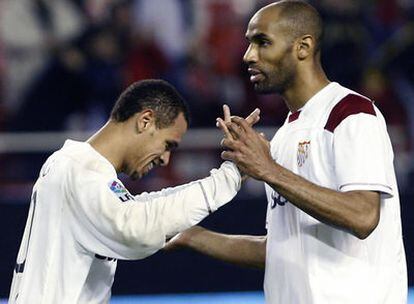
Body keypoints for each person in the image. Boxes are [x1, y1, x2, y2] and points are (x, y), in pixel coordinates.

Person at [166, 1, 408, 303]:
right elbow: (281, 247)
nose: (248, 55)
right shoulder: (283, 137)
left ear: (303, 47)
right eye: (249, 43)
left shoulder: (351, 114)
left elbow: (363, 215)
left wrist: (268, 169)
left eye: (262, 42)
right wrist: (194, 236)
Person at [9, 79, 260, 303]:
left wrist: (231, 174)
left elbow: (137, 207)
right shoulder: (79, 170)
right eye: (167, 145)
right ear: (145, 121)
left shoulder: (80, 167)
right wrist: (230, 176)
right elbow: (135, 226)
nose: (165, 159)